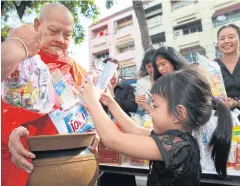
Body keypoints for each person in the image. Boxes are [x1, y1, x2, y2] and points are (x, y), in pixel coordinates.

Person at [79, 66, 232, 186]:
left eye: (155, 106)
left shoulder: (178, 146)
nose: (151, 113)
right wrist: (111, 103)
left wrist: (92, 101)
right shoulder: (175, 139)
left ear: (179, 113)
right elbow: (133, 129)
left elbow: (113, 139)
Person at [1, 3, 98, 186]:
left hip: (73, 165)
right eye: (53, 31)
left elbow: (93, 115)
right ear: (37, 25)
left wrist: (94, 131)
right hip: (27, 164)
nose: (60, 39)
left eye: (67, 35)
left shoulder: (77, 70)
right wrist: (10, 133)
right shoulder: (20, 64)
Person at [100, 57, 138, 186]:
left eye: (116, 70)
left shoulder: (126, 88)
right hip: (106, 137)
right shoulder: (99, 91)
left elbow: (133, 106)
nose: (113, 74)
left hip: (124, 134)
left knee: (125, 173)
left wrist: (113, 99)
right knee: (107, 171)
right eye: (110, 71)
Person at [214, 24, 240, 111]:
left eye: (231, 37)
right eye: (222, 38)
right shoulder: (211, 67)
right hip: (222, 119)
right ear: (218, 43)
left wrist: (236, 103)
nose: (226, 41)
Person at [135, 49, 156, 113]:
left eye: (154, 65)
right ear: (145, 67)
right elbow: (140, 108)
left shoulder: (166, 78)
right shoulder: (141, 82)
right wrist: (139, 102)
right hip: (149, 118)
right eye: (149, 66)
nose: (152, 69)